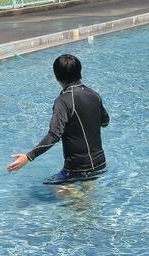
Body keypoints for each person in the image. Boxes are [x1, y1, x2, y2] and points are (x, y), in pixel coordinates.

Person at [7, 54, 109, 185]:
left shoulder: (63, 101)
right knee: (88, 187)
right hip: (100, 163)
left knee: (49, 186)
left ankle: (77, 197)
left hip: (77, 168)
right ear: (80, 71)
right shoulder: (94, 95)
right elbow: (105, 122)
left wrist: (29, 156)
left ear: (56, 76)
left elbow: (54, 135)